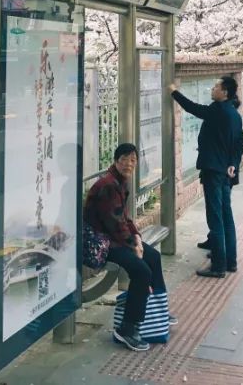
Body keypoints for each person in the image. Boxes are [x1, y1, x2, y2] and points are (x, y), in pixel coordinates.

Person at [84, 143, 175, 352]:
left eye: (133, 160)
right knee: (141, 271)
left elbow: (124, 218)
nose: (129, 163)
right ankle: (127, 328)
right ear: (116, 160)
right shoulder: (108, 185)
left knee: (153, 257)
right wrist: (134, 245)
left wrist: (137, 237)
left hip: (114, 238)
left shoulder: (119, 181)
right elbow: (113, 224)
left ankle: (158, 308)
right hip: (100, 243)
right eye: (125, 158)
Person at [169, 76, 243, 278]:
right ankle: (231, 261)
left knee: (216, 218)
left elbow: (193, 108)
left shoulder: (217, 110)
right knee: (226, 216)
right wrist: (233, 165)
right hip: (226, 173)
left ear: (225, 92)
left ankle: (218, 266)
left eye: (216, 87)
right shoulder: (234, 114)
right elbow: (238, 144)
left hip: (213, 172)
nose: (212, 89)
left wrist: (174, 91)